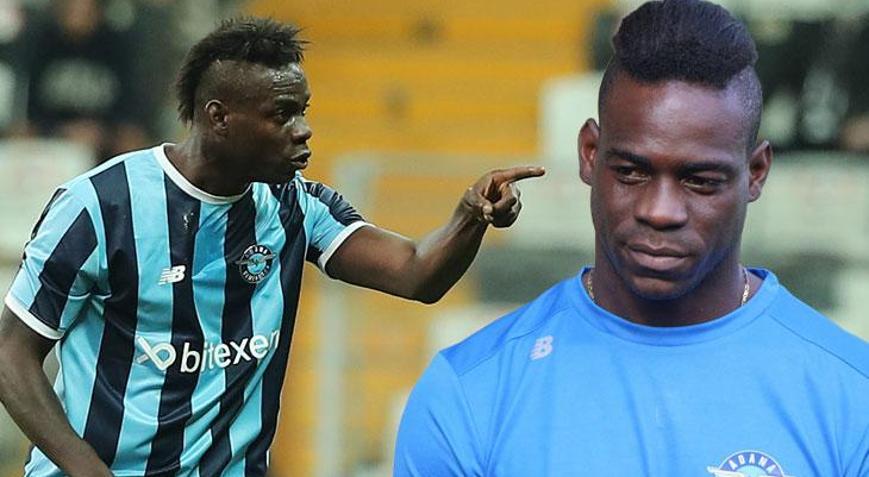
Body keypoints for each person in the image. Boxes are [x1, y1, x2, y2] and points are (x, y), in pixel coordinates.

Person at [0, 17, 545, 477]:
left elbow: (416, 274)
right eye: (282, 114)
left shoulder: (295, 205)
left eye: (303, 110)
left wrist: (470, 217)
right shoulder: (100, 206)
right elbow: (10, 355)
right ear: (219, 117)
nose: (304, 130)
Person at [394, 0, 869, 475]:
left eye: (700, 180)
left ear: (756, 172)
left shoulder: (852, 396)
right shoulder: (469, 395)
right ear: (589, 153)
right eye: (631, 172)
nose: (660, 211)